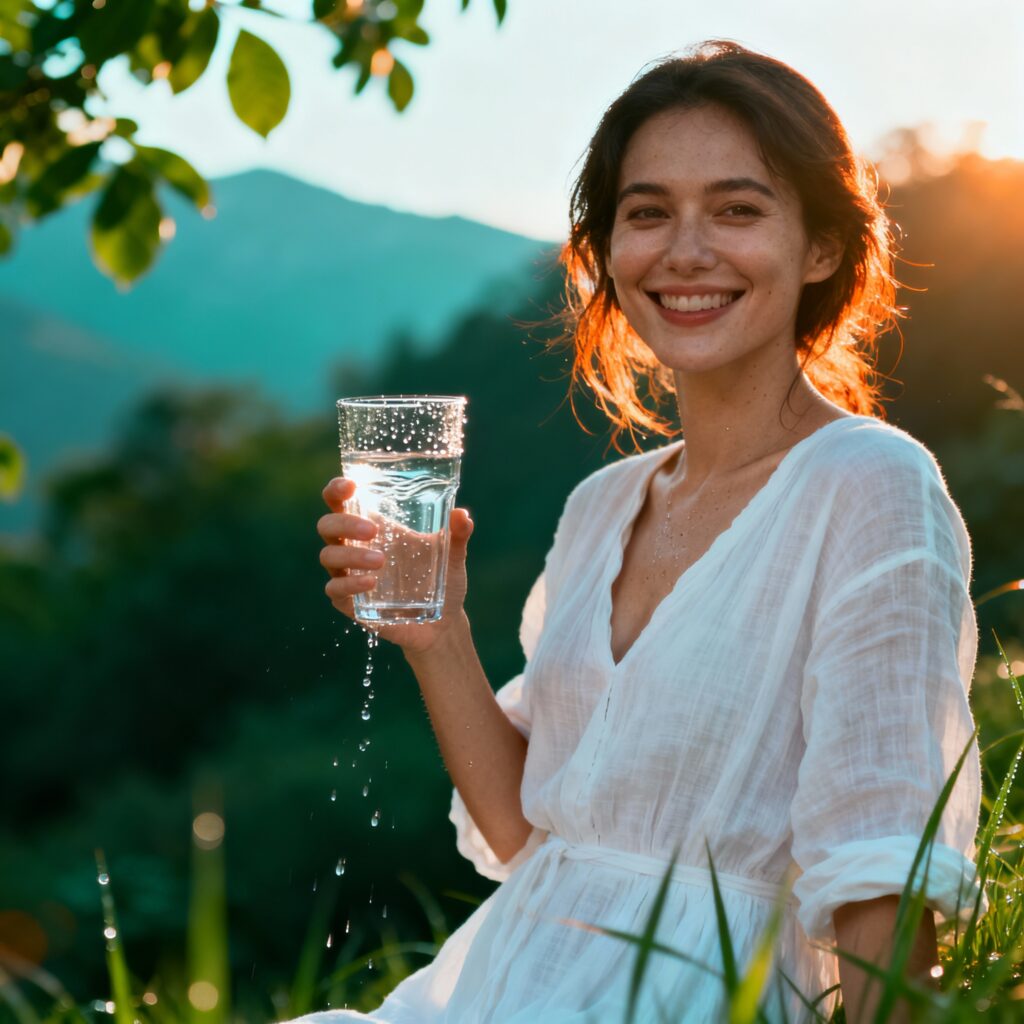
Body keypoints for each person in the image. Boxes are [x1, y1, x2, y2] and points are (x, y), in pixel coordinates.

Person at [302, 40, 985, 1024]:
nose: (685, 251)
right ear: (608, 250)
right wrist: (437, 633)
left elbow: (884, 863)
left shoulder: (870, 485)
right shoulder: (603, 504)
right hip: (503, 982)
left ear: (823, 247)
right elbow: (537, 835)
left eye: (737, 210)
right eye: (648, 212)